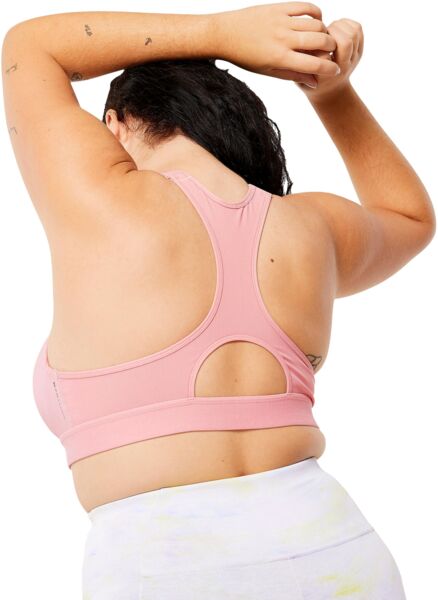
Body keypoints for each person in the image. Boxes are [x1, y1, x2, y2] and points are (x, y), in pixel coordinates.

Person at [3, 3, 434, 598]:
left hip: (169, 570)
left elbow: (30, 45)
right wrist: (333, 93)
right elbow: (410, 217)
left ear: (115, 124)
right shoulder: (310, 228)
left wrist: (223, 34)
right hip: (337, 554)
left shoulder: (100, 198)